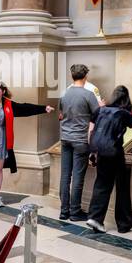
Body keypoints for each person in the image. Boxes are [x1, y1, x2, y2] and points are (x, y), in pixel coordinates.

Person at [84, 86, 132, 234]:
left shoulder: (100, 110)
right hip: (115, 153)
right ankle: (124, 224)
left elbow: (91, 130)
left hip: (100, 152)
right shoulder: (123, 113)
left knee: (101, 184)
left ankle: (95, 218)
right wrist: (131, 109)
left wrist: (92, 152)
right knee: (122, 186)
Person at [0, 81, 53, 207]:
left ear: (3, 91)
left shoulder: (8, 104)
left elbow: (25, 108)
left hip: (2, 141)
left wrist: (43, 108)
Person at [57, 64, 100, 222]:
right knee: (77, 177)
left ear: (72, 76)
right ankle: (75, 212)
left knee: (65, 175)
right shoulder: (89, 95)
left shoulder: (64, 93)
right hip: (80, 139)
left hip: (65, 138)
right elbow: (97, 115)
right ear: (85, 76)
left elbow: (60, 114)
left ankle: (64, 210)